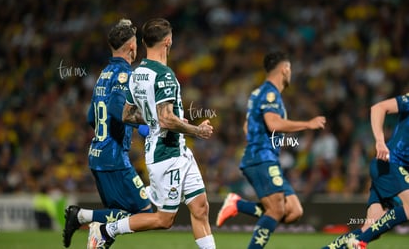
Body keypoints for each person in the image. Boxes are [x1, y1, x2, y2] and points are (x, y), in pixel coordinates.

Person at [86, 18, 216, 249]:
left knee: (200, 207)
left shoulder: (136, 74)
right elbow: (165, 118)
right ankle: (106, 230)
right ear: (168, 41)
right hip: (166, 154)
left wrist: (160, 120)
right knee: (164, 220)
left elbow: (127, 115)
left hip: (178, 150)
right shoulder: (163, 74)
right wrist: (197, 130)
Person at [216, 50, 326, 248]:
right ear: (284, 69)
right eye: (290, 69)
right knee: (276, 210)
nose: (290, 73)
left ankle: (237, 204)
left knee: (293, 212)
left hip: (266, 157)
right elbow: (274, 123)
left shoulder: (258, 93)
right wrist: (308, 124)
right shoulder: (270, 93)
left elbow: (246, 127)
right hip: (261, 158)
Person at [62, 19, 152, 248]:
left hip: (98, 154)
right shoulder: (125, 74)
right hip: (114, 160)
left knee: (120, 214)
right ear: (132, 47)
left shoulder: (104, 74)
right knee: (145, 213)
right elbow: (115, 109)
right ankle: (82, 217)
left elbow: (91, 117)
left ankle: (96, 233)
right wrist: (145, 124)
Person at [322, 93, 409, 249]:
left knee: (369, 227)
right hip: (389, 164)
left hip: (395, 171)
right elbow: (378, 108)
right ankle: (360, 243)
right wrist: (380, 141)